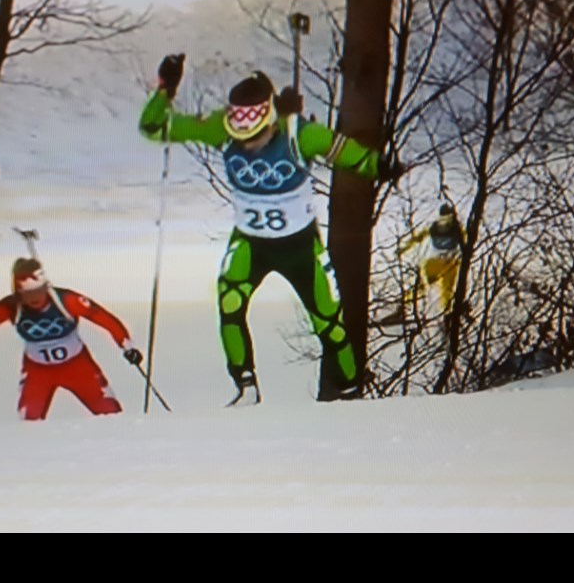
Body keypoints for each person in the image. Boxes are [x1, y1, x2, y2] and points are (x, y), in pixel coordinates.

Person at [139, 54, 401, 405]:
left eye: (258, 136)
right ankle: (245, 386)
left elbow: (351, 155)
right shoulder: (220, 127)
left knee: (328, 322)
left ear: (271, 122)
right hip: (251, 242)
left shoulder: (299, 133)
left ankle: (352, 390)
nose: (248, 145)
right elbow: (154, 128)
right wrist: (165, 89)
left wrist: (384, 167)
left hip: (300, 247)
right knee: (229, 302)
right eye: (239, 138)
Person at [0, 256, 143, 421]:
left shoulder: (66, 300)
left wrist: (127, 346)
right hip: (38, 371)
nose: (36, 299)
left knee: (110, 413)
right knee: (29, 421)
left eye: (39, 291)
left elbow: (104, 318)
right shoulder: (11, 307)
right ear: (18, 294)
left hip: (78, 367)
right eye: (28, 294)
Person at [382, 203, 466, 324]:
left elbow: (417, 237)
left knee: (442, 291)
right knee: (439, 290)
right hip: (442, 264)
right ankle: (446, 316)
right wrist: (403, 249)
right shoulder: (442, 228)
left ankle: (447, 316)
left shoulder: (447, 229)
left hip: (443, 264)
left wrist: (403, 248)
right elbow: (417, 237)